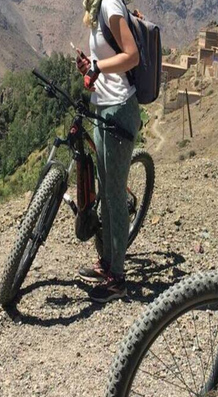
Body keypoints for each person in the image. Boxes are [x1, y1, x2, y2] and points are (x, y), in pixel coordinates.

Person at [75, 0, 141, 303]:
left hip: (119, 110)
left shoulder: (111, 5)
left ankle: (118, 279)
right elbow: (105, 61)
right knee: (106, 190)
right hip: (103, 107)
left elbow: (132, 56)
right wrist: (90, 66)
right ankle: (106, 262)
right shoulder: (96, 7)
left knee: (114, 195)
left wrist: (98, 66)